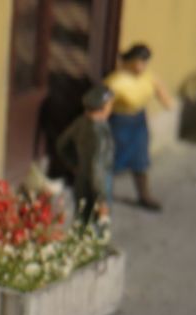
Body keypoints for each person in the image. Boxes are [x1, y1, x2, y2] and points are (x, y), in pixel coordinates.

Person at [105, 43, 174, 211]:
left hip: (138, 123)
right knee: (110, 160)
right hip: (119, 123)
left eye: (144, 63)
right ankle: (103, 196)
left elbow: (162, 93)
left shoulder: (148, 77)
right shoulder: (115, 82)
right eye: (139, 62)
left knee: (140, 161)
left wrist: (168, 102)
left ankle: (144, 195)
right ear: (129, 61)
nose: (142, 67)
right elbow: (105, 106)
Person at [56, 83, 115, 230]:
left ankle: (79, 241)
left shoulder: (81, 122)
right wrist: (102, 199)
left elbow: (62, 144)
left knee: (82, 219)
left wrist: (74, 165)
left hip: (81, 178)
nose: (111, 108)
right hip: (98, 183)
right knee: (99, 225)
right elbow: (97, 168)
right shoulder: (99, 134)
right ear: (102, 107)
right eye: (110, 105)